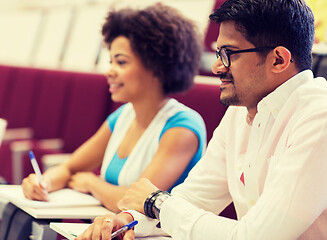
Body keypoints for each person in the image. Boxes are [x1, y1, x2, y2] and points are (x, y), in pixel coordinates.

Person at [76, 0, 327, 239]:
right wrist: (128, 220)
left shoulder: (319, 117)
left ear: (278, 60)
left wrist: (156, 202)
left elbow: (257, 236)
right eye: (218, 53)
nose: (218, 66)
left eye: (229, 53)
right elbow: (193, 198)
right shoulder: (240, 112)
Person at [21, 4, 206, 213]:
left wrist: (92, 183)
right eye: (111, 61)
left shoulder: (183, 128)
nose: (110, 71)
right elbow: (69, 168)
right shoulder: (123, 116)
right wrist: (42, 183)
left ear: (157, 66)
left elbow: (137, 202)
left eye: (121, 62)